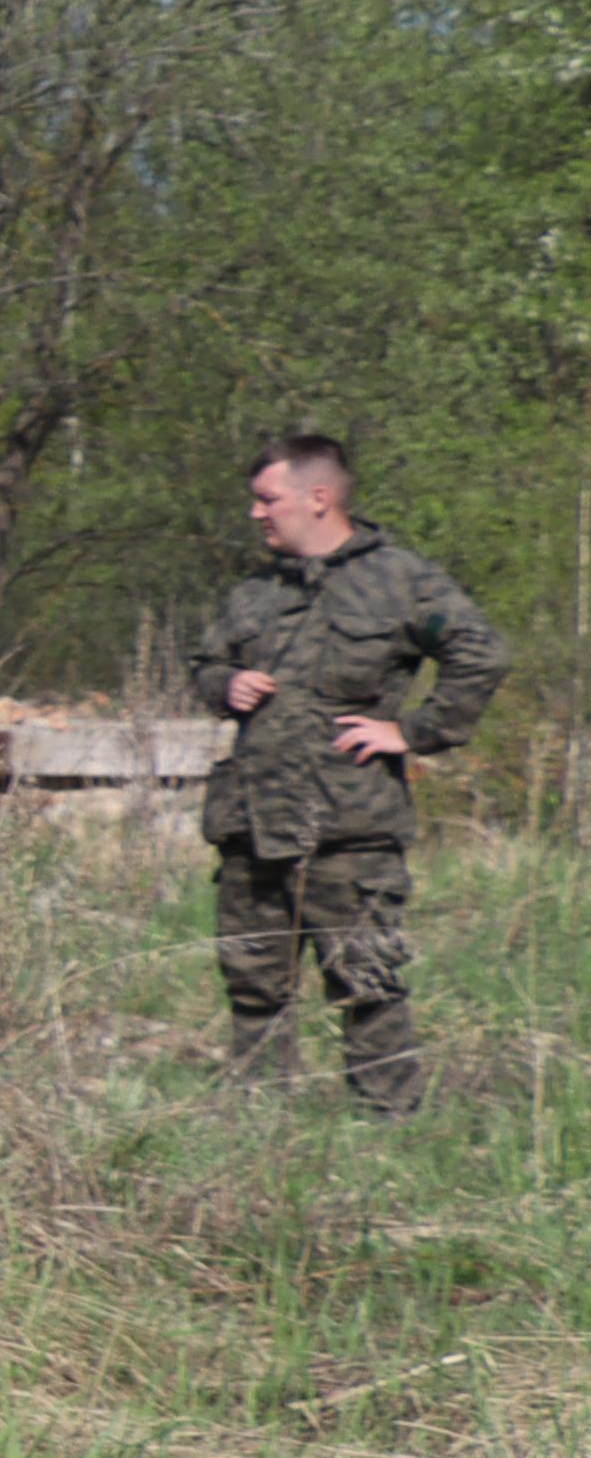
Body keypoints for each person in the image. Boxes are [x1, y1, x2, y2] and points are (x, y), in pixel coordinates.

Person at [205, 434, 505, 1116]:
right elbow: (204, 663)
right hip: (252, 824)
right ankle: (259, 1128)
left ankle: (389, 1134)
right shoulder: (255, 591)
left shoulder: (399, 579)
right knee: (253, 985)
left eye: (266, 499)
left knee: (366, 982)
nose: (255, 514)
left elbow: (481, 653)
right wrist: (225, 682)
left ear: (319, 498)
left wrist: (416, 733)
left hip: (350, 827)